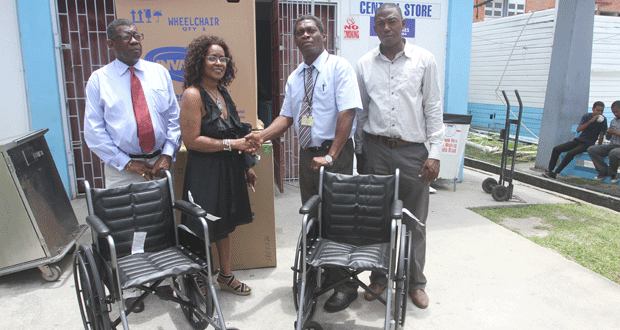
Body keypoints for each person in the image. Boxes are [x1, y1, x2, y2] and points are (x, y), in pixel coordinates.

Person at [245, 15, 362, 312]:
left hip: (334, 153)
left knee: (337, 220)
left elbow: (347, 113)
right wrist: (260, 136)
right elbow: (287, 117)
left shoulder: (339, 67)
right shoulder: (296, 76)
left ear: (323, 35)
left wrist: (332, 156)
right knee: (311, 218)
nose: (306, 35)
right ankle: (318, 273)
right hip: (308, 155)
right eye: (300, 32)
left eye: (311, 30)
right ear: (295, 40)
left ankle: (344, 285)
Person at [84, 18, 181, 313]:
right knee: (126, 226)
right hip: (121, 164)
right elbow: (94, 132)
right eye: (126, 37)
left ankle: (162, 277)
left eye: (137, 35)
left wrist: (167, 153)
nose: (135, 41)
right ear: (111, 44)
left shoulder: (158, 73)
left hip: (158, 162)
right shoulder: (99, 79)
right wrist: (128, 163)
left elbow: (173, 117)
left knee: (159, 220)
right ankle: (133, 285)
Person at [354, 3, 444, 310]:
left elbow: (433, 107)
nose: (387, 27)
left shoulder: (424, 60)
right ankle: (379, 277)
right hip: (376, 149)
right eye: (381, 23)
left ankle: (416, 282)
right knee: (377, 218)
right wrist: (360, 151)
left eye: (392, 21)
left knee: (415, 221)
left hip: (413, 153)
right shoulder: (365, 63)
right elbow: (361, 112)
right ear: (375, 28)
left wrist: (434, 154)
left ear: (403, 24)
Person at [180, 35, 256, 296]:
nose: (218, 63)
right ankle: (200, 278)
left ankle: (225, 275)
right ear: (200, 61)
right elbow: (192, 141)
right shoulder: (192, 95)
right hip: (205, 173)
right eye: (212, 57)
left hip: (229, 170)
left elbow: (236, 132)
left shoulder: (222, 92)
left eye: (222, 58)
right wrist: (231, 146)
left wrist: (247, 165)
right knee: (203, 226)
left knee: (224, 225)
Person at [543, 101, 607, 179]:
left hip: (588, 144)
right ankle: (550, 170)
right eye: (598, 110)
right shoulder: (586, 116)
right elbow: (579, 130)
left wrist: (599, 149)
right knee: (556, 149)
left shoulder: (603, 120)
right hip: (578, 140)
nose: (600, 113)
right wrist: (591, 121)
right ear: (593, 109)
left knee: (571, 153)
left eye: (602, 111)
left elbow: (601, 135)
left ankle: (556, 173)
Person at [587, 100, 620, 183]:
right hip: (612, 145)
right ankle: (603, 171)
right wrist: (608, 134)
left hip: (617, 149)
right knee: (592, 149)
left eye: (617, 111)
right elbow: (608, 138)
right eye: (613, 112)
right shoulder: (613, 121)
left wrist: (617, 132)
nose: (615, 114)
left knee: (613, 153)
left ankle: (613, 174)